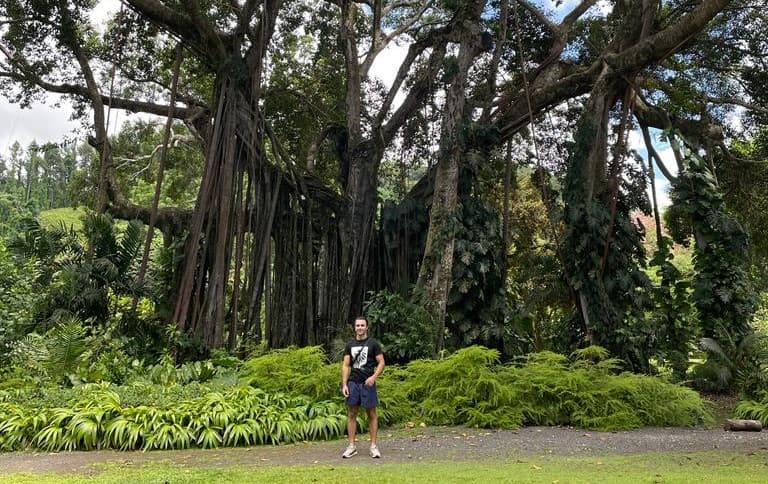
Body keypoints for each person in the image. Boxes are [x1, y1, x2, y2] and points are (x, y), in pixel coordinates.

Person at [341, 316, 385, 458]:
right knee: (352, 413)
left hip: (368, 383)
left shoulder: (373, 344)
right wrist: (344, 384)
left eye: (362, 325)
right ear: (355, 327)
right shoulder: (350, 345)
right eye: (357, 325)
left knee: (371, 414)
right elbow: (346, 365)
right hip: (353, 382)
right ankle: (352, 446)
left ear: (367, 327)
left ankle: (373, 446)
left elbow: (381, 362)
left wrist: (373, 377)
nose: (360, 328)